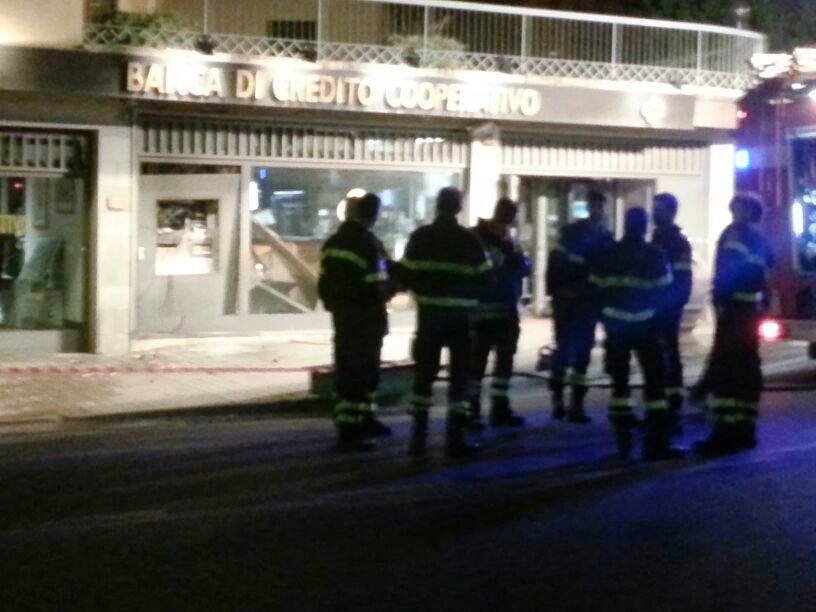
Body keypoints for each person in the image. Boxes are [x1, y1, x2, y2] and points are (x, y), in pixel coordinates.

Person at [399, 187, 491, 457]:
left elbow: (405, 275)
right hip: (461, 321)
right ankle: (455, 439)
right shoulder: (470, 240)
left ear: (437, 206)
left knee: (423, 378)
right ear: (458, 208)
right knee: (459, 380)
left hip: (429, 317)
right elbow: (486, 279)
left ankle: (418, 440)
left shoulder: (420, 237)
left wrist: (423, 292)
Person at [591, 207, 681, 460]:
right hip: (647, 328)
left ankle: (623, 443)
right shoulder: (655, 255)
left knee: (620, 386)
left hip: (616, 328)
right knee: (655, 385)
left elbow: (594, 291)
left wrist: (606, 318)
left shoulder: (608, 255)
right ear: (645, 227)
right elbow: (666, 294)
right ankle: (656, 444)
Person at [694, 193, 775, 455]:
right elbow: (765, 273)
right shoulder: (760, 240)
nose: (734, 214)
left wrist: (720, 301)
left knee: (727, 372)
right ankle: (745, 430)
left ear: (748, 211)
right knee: (747, 370)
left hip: (733, 312)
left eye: (737, 209)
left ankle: (724, 434)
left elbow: (728, 272)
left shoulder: (734, 235)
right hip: (750, 313)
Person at [317, 193, 394, 452]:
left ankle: (360, 420)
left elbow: (325, 283)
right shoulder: (367, 244)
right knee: (363, 372)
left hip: (344, 317)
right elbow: (377, 285)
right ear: (370, 216)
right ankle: (351, 430)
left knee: (348, 369)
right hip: (367, 318)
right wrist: (395, 287)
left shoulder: (333, 243)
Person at [546, 190, 614, 423]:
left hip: (587, 304)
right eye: (594, 206)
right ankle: (558, 400)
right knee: (563, 350)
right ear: (589, 207)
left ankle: (576, 405)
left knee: (582, 354)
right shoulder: (571, 233)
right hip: (568, 302)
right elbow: (555, 263)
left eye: (600, 206)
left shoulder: (605, 237)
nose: (597, 210)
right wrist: (556, 291)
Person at [468, 198, 531, 430]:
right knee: (483, 365)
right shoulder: (484, 239)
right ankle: (482, 411)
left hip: (497, 311)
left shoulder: (502, 239)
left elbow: (520, 266)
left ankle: (486, 410)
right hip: (494, 312)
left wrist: (522, 265)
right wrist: (516, 266)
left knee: (494, 365)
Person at [651, 193, 693, 432]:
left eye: (659, 209)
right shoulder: (656, 239)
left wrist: (671, 306)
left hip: (667, 310)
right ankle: (660, 409)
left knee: (669, 357)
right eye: (654, 209)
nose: (655, 214)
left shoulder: (678, 243)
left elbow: (683, 280)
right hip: (654, 310)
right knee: (656, 359)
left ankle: (673, 408)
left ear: (671, 212)